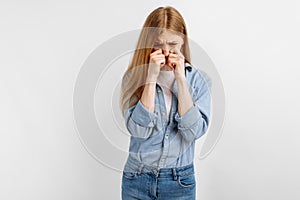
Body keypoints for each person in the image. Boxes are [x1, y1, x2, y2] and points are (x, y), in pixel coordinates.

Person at [119, 6, 212, 200]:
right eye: (158, 44)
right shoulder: (133, 78)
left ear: (183, 40)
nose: (166, 51)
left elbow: (193, 132)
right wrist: (151, 77)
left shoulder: (199, 81)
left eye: (172, 43)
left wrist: (180, 79)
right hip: (137, 178)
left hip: (179, 181)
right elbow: (138, 130)